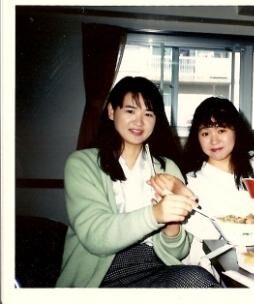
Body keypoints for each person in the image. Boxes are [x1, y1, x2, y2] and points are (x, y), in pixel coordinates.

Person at [56, 76, 221, 288]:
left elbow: (178, 251)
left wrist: (172, 222)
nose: (140, 122)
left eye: (149, 114)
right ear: (111, 111)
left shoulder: (167, 168)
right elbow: (95, 237)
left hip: (155, 267)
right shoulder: (82, 163)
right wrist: (155, 214)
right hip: (100, 275)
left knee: (198, 279)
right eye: (130, 111)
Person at [179, 97, 254, 277]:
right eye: (205, 133)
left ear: (236, 130)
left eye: (221, 130)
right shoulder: (191, 181)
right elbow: (202, 239)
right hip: (216, 265)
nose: (214, 141)